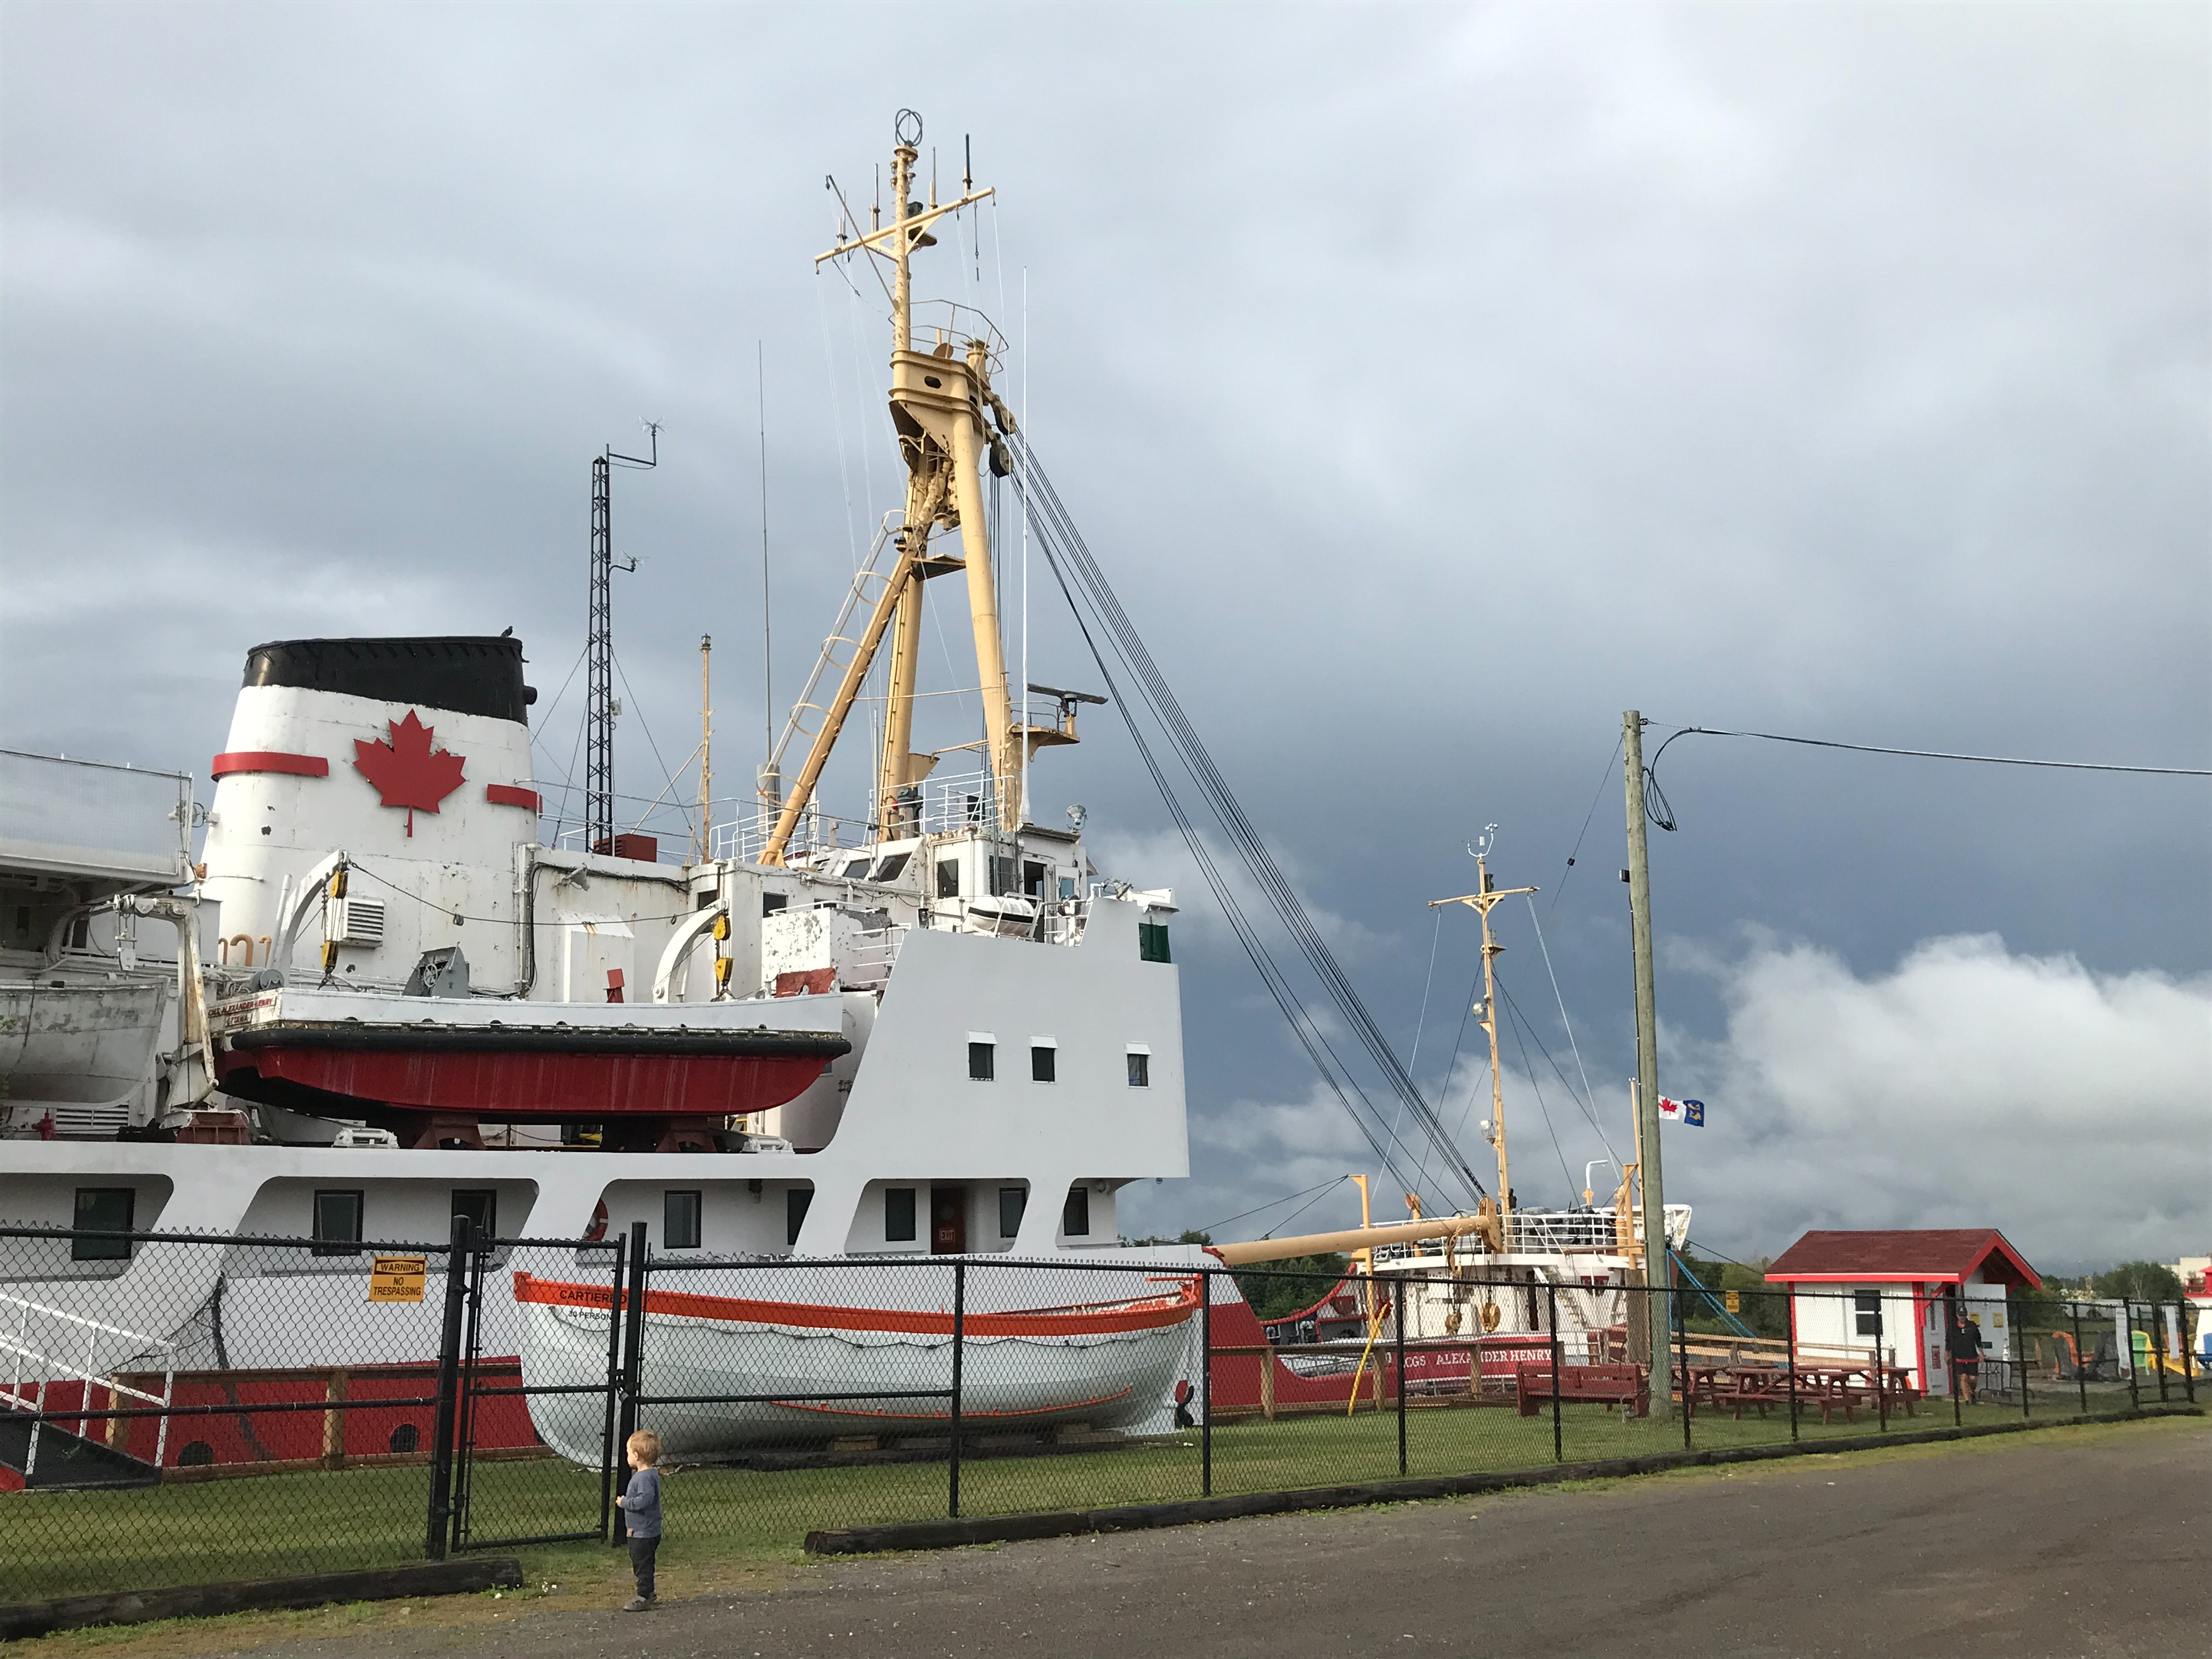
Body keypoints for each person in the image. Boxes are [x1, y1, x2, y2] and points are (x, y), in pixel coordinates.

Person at [615, 1429, 663, 1610]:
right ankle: (648, 1591)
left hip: (642, 1531)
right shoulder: (650, 1475)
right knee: (644, 1562)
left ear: (636, 1455)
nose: (627, 1456)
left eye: (628, 1453)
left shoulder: (643, 1478)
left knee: (641, 1563)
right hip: (646, 1529)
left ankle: (644, 1595)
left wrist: (625, 1502)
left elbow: (645, 1500)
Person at [1946, 1307, 1986, 1405]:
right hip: (1959, 1356)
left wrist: (1982, 1354)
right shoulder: (1953, 1327)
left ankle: (1972, 1392)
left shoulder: (1972, 1326)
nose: (1962, 1317)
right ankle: (1967, 1400)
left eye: (1964, 1315)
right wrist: (1947, 1354)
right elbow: (1948, 1341)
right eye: (1960, 1315)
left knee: (1973, 1379)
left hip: (1972, 1356)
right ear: (1957, 1316)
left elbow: (1978, 1340)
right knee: (1963, 1378)